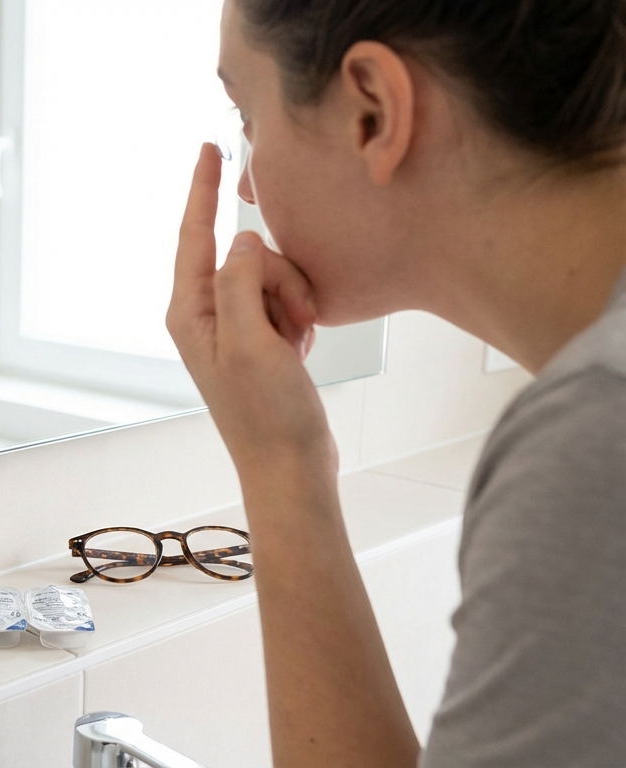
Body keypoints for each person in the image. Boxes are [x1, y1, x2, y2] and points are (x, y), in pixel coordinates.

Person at [168, 0, 626, 765]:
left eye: (249, 116)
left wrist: (280, 467)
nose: (245, 185)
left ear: (373, 112)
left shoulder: (594, 443)